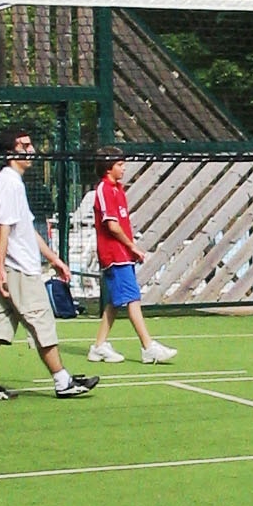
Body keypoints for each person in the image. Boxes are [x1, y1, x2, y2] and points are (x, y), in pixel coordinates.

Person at [0, 128, 98, 401]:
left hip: (11, 268)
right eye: (24, 145)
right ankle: (63, 381)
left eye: (30, 145)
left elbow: (26, 229)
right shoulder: (8, 183)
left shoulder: (11, 183)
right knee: (42, 323)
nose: (31, 150)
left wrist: (54, 260)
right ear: (10, 151)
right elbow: (3, 229)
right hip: (17, 270)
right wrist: (1, 271)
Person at [86, 146, 178, 364]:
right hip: (114, 254)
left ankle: (98, 346)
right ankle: (148, 347)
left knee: (115, 301)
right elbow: (112, 225)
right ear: (108, 168)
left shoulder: (119, 189)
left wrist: (130, 248)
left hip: (123, 253)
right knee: (132, 297)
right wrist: (132, 247)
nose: (124, 167)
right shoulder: (104, 189)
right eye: (119, 164)